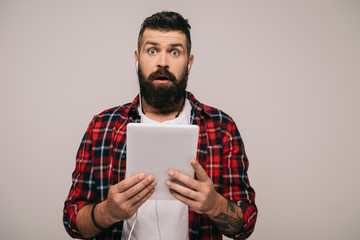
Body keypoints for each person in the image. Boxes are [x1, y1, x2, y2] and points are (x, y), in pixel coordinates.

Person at [63, 11, 257, 240]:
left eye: (175, 52)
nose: (162, 62)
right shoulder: (101, 126)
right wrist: (108, 211)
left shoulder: (222, 128)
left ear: (189, 62)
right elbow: (72, 221)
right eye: (152, 50)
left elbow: (246, 224)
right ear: (137, 59)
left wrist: (214, 204)